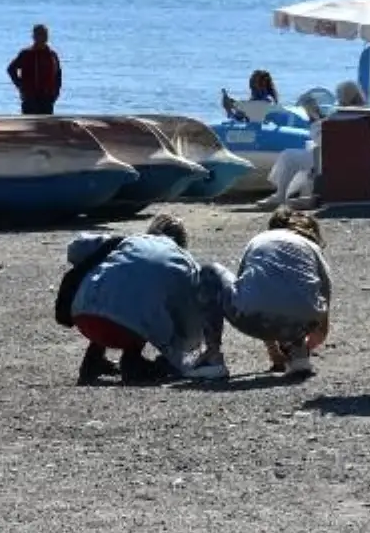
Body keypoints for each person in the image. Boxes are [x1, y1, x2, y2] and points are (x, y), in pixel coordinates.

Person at [61, 214, 227, 384]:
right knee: (143, 303)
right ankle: (131, 362)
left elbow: (77, 248)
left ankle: (93, 360)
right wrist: (182, 351)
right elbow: (188, 322)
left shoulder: (131, 241)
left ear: (151, 231)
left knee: (117, 290)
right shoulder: (185, 262)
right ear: (182, 242)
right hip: (125, 327)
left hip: (84, 313)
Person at [196, 207, 332, 380]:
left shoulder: (260, 240)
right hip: (302, 323)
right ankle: (298, 355)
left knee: (210, 271)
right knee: (298, 291)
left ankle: (212, 357)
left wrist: (273, 351)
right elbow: (325, 294)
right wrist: (319, 331)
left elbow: (251, 290)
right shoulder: (311, 247)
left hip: (252, 318)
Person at [256, 92, 326, 209]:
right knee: (288, 155)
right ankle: (282, 193)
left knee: (289, 157)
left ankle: (281, 196)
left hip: (324, 157)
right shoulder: (323, 119)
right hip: (323, 154)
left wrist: (315, 121)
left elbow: (321, 140)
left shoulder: (320, 122)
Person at [7, 24, 62, 115]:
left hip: (47, 98)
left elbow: (58, 75)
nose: (43, 37)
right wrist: (21, 86)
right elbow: (11, 69)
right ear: (34, 37)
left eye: (44, 34)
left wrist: (56, 92)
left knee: (45, 126)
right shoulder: (26, 54)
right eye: (40, 34)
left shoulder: (52, 55)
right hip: (30, 98)